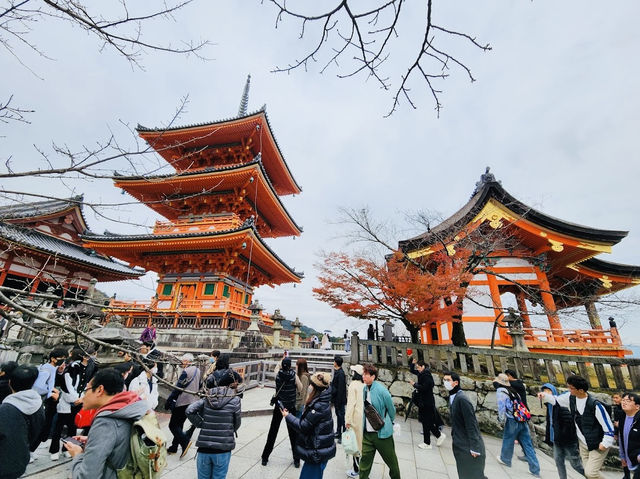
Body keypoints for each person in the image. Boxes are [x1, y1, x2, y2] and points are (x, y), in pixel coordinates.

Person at [63, 368, 149, 479]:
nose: (83, 396)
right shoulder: (129, 409)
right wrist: (92, 441)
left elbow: (87, 476)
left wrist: (78, 455)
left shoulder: (106, 421)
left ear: (99, 390)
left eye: (86, 390)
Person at [539, 374, 615, 479]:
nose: (569, 390)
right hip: (583, 444)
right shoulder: (571, 398)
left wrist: (605, 443)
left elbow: (608, 426)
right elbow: (557, 400)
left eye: (571, 388)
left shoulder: (595, 405)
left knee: (590, 473)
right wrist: (545, 396)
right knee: (588, 473)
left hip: (597, 443)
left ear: (581, 390)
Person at [186, 365, 241, 479]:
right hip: (223, 448)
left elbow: (189, 410)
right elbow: (237, 422)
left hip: (204, 448)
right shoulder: (235, 400)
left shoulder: (208, 396)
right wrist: (230, 428)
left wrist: (201, 423)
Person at [281, 372, 336, 479]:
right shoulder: (322, 401)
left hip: (317, 452)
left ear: (315, 388)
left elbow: (303, 426)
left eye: (311, 384)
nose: (309, 386)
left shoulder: (318, 406)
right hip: (320, 449)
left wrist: (288, 416)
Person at [0, 364, 44, 479]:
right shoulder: (38, 404)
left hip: (4, 464)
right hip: (20, 460)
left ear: (10, 382)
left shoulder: (6, 409)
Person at [358, 363, 400, 479]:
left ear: (373, 376)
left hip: (382, 434)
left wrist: (388, 422)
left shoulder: (382, 391)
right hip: (367, 433)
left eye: (366, 374)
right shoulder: (364, 389)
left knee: (391, 462)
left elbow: (391, 410)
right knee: (364, 462)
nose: (363, 376)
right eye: (363, 374)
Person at [494, 373, 540, 477]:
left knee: (508, 439)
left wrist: (501, 420)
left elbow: (502, 407)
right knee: (527, 444)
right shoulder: (514, 391)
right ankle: (535, 468)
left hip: (512, 420)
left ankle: (505, 459)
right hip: (522, 420)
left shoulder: (501, 391)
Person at [444, 371, 486, 479]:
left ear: (456, 383)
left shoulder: (462, 399)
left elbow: (471, 424)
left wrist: (475, 447)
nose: (445, 382)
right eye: (444, 380)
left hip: (468, 448)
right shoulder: (454, 397)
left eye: (448, 380)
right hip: (460, 444)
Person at [540, 382, 585, 479]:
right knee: (558, 461)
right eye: (544, 391)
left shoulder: (560, 405)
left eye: (548, 391)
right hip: (557, 439)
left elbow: (569, 423)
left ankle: (591, 476)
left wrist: (563, 437)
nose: (546, 393)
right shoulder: (549, 407)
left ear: (553, 392)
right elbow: (550, 424)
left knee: (575, 465)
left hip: (568, 440)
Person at [261, 357, 299, 467]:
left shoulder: (278, 374)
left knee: (273, 431)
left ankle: (265, 457)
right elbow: (300, 388)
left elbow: (277, 368)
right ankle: (296, 459)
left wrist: (281, 361)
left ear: (282, 365)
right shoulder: (294, 376)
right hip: (290, 406)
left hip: (279, 406)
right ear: (290, 365)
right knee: (293, 433)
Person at [30, 348, 67, 455]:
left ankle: (31, 450)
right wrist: (51, 393)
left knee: (44, 429)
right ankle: (30, 451)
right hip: (44, 403)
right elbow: (38, 387)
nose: (63, 361)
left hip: (47, 402)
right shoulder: (47, 369)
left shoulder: (53, 368)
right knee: (42, 428)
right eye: (61, 358)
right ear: (53, 359)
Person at [49, 356, 84, 461]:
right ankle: (54, 450)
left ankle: (68, 449)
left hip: (76, 405)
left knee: (72, 428)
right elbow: (67, 391)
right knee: (58, 428)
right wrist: (76, 399)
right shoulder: (66, 374)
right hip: (65, 405)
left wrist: (81, 399)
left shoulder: (81, 375)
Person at [168, 353, 201, 458]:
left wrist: (169, 400)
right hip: (193, 401)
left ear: (187, 361)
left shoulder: (186, 372)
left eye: (183, 361)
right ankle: (174, 446)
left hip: (183, 401)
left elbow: (178, 388)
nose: (182, 363)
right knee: (179, 423)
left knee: (172, 425)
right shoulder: (198, 370)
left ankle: (185, 441)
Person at [409, 358, 444, 449]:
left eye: (418, 367)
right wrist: (412, 364)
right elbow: (412, 370)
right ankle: (438, 436)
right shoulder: (422, 373)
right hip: (423, 402)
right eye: (417, 367)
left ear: (423, 367)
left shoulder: (426, 375)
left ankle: (428, 443)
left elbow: (425, 387)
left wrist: (414, 384)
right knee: (426, 422)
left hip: (427, 402)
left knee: (426, 422)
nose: (417, 369)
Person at [345, 364, 365, 478]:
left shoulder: (353, 385)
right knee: (362, 444)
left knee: (355, 444)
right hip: (364, 417)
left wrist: (347, 420)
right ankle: (363, 467)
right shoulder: (364, 385)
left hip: (355, 417)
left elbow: (350, 404)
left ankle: (357, 469)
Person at [619, 392, 640, 479]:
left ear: (637, 406)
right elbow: (621, 439)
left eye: (628, 400)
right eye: (623, 400)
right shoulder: (622, 417)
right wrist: (622, 456)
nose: (624, 402)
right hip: (630, 458)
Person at [331, 355, 347, 442]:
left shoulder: (340, 373)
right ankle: (338, 432)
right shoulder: (337, 371)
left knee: (341, 417)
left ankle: (343, 434)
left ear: (336, 363)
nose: (333, 363)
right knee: (338, 416)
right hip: (337, 398)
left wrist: (338, 400)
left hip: (339, 399)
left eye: (334, 361)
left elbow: (340, 389)